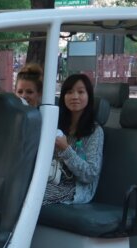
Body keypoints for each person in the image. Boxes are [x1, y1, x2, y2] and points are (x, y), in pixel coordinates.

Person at [44, 73, 104, 205]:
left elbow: (90, 174)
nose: (75, 96)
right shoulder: (57, 124)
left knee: (32, 196)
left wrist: (66, 149)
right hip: (50, 179)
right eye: (69, 92)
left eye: (81, 92)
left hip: (75, 188)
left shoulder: (95, 131)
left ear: (89, 96)